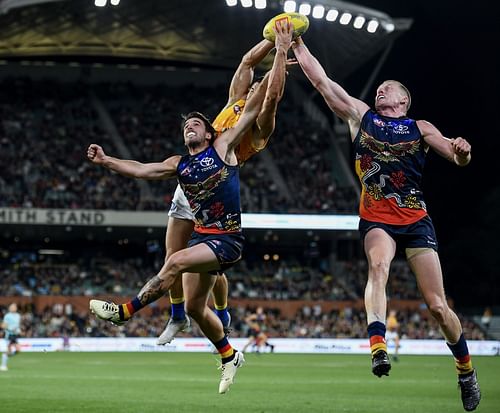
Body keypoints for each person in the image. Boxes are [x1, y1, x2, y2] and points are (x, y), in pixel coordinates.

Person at [88, 20, 293, 394]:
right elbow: (139, 169)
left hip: (226, 237)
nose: (191, 126)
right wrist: (107, 161)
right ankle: (229, 354)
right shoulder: (182, 159)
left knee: (176, 261)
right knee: (199, 307)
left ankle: (125, 313)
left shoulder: (229, 142)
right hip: (201, 221)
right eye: (188, 125)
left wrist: (281, 48)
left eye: (196, 124)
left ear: (210, 132)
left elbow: (269, 96)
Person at [292, 37, 481, 411]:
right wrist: (297, 43)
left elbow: (457, 158)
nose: (381, 90)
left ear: (403, 101)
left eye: (387, 88)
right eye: (379, 89)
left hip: (415, 220)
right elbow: (323, 83)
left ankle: (466, 369)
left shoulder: (420, 127)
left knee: (438, 307)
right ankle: (378, 347)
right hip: (376, 216)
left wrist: (463, 151)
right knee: (378, 266)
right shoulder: (362, 116)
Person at [1, 303, 22, 372]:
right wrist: (10, 328)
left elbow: (17, 325)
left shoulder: (18, 316)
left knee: (18, 350)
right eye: (11, 307)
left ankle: (6, 356)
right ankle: (3, 366)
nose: (13, 308)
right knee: (9, 350)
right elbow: (3, 326)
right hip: (9, 335)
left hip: (15, 335)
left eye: (14, 307)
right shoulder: (7, 316)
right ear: (9, 308)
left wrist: (19, 331)